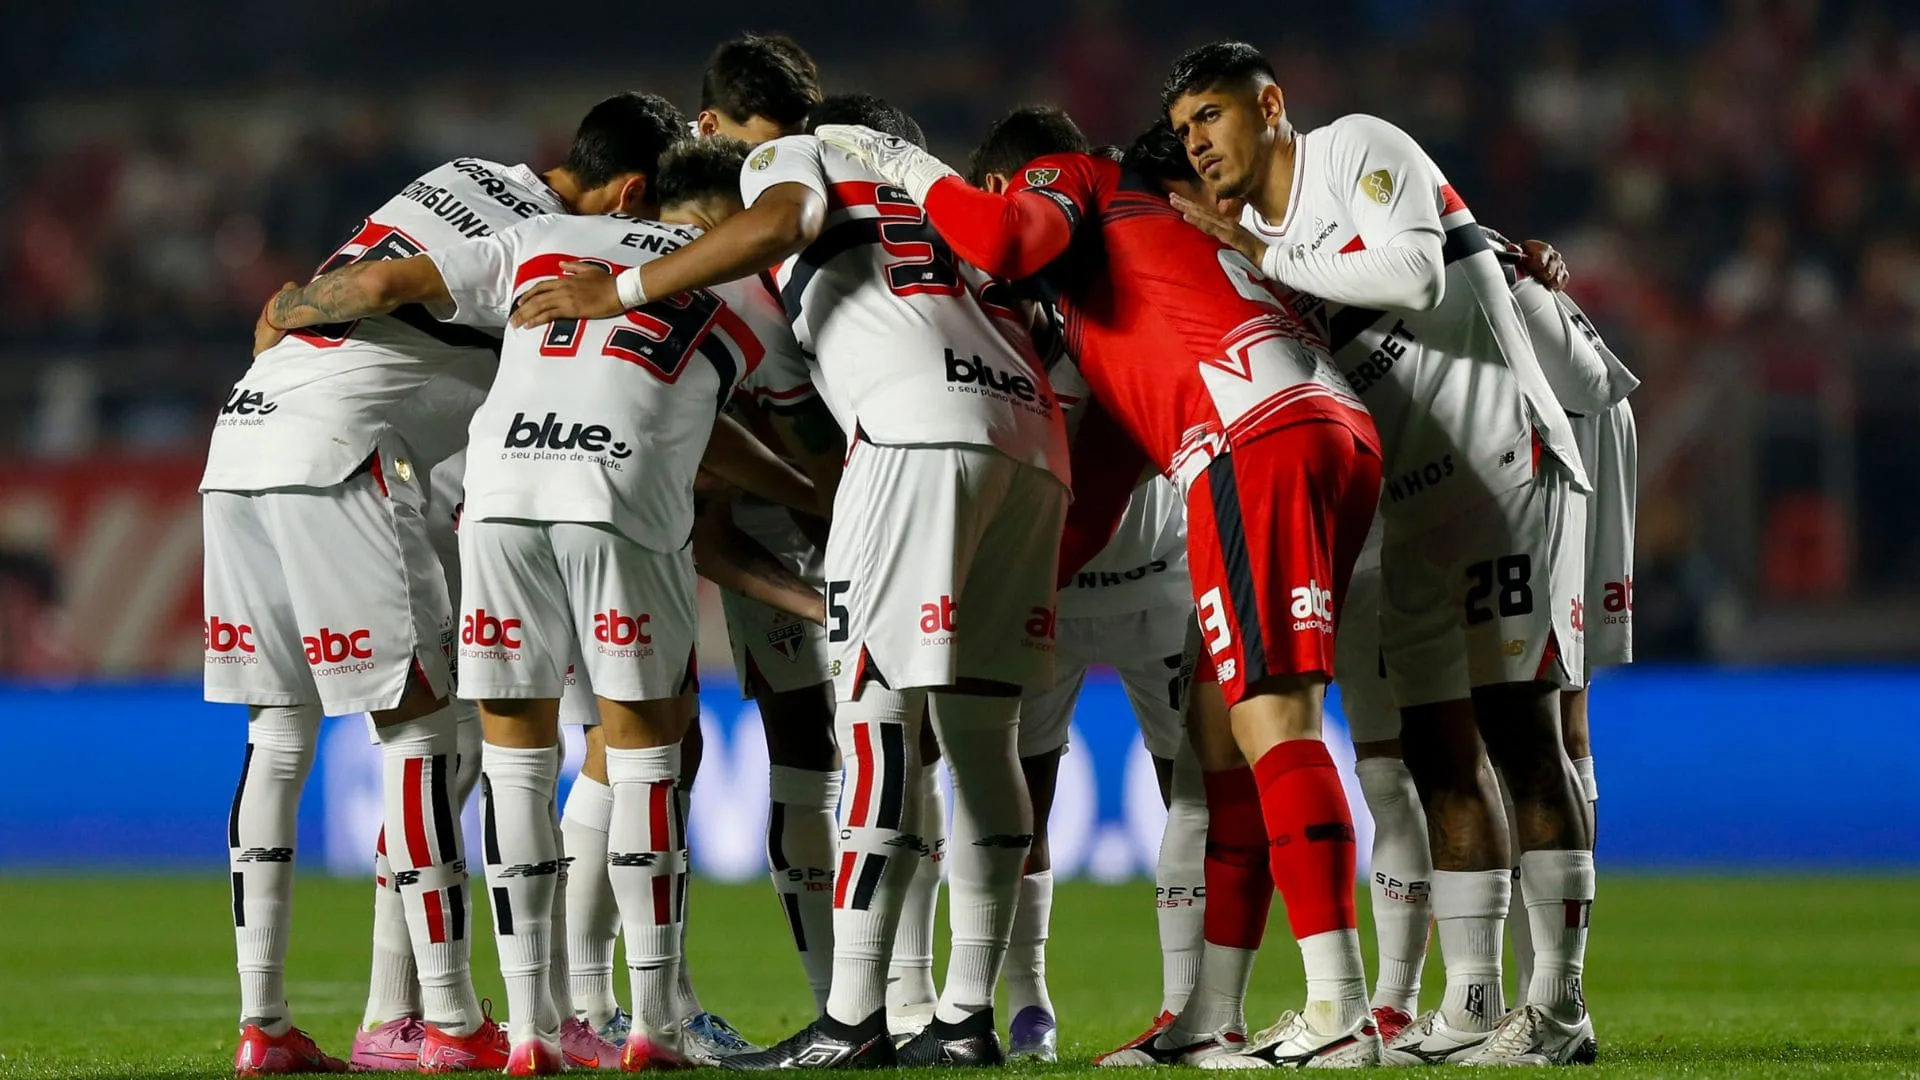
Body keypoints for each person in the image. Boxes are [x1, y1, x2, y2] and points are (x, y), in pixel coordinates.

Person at [816, 103, 1383, 1068]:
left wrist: (904, 162)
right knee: (1226, 741)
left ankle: (1340, 1008)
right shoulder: (1120, 296)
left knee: (1272, 725)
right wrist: (1005, 581)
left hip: (1251, 437)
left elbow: (998, 234)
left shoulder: (1070, 178)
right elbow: (1107, 480)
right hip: (1323, 427)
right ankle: (1211, 1017)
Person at [510, 93, 1070, 1070]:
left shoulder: (772, 207)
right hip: (1022, 437)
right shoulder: (927, 212)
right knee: (978, 737)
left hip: (898, 446)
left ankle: (849, 1019)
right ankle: (960, 1016)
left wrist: (626, 288)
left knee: (866, 727)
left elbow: (778, 235)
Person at [256, 123, 821, 1073]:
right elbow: (695, 412)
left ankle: (526, 1033)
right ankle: (651, 1022)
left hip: (500, 495)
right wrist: (817, 494)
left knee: (514, 764)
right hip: (618, 497)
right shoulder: (738, 293)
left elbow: (386, 282)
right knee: (648, 752)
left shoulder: (541, 238)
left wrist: (289, 306)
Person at [207, 91, 690, 1076]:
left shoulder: (460, 176)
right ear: (637, 189)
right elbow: (390, 290)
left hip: (243, 433)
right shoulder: (571, 241)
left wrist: (294, 304)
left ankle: (265, 1027)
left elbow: (366, 277)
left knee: (279, 731)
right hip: (339, 450)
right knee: (428, 732)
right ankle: (452, 1024)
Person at [1164, 41, 1600, 1065]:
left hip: (1497, 465)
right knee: (1439, 753)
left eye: (1212, 117)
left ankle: (1561, 1009)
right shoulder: (1255, 236)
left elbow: (1409, 268)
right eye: (1185, 132)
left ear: (1270, 107)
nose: (1199, 143)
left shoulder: (1355, 149)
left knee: (1521, 736)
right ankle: (1476, 1006)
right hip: (1409, 509)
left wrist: (1265, 257)